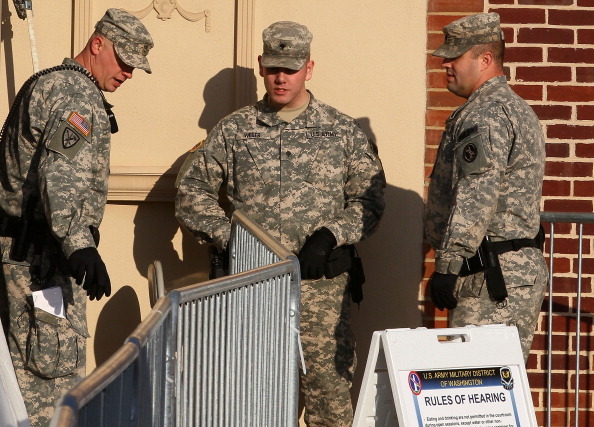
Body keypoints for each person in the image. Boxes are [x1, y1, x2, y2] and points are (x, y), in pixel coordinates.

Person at [176, 21, 384, 426]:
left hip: (322, 298)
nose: (281, 78)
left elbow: (370, 200)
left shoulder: (342, 132)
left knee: (330, 407)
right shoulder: (234, 131)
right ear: (260, 66)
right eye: (273, 68)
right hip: (254, 293)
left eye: (290, 68)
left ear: (309, 67)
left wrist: (329, 236)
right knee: (255, 406)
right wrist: (235, 240)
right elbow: (191, 192)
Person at [0, 9, 153, 426]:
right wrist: (79, 245)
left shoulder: (50, 83)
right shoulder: (77, 96)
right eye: (124, 60)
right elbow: (60, 173)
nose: (128, 73)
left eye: (135, 66)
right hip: (44, 265)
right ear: (98, 43)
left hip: (24, 253)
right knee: (52, 386)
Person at [424, 12, 547, 363]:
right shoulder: (516, 109)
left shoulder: (486, 114)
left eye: (455, 56)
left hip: (489, 279)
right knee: (497, 391)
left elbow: (476, 196)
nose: (446, 64)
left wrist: (447, 266)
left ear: (485, 59)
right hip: (506, 274)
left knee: (475, 389)